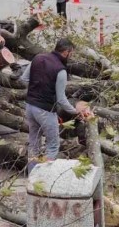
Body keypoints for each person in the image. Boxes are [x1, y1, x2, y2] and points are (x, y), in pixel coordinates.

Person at [19, 38, 92, 172]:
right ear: (66, 52)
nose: (72, 56)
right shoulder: (61, 70)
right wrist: (75, 111)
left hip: (30, 106)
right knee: (52, 146)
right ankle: (45, 177)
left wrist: (38, 85)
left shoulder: (38, 58)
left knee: (34, 143)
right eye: (72, 53)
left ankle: (32, 177)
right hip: (45, 110)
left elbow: (24, 78)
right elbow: (61, 100)